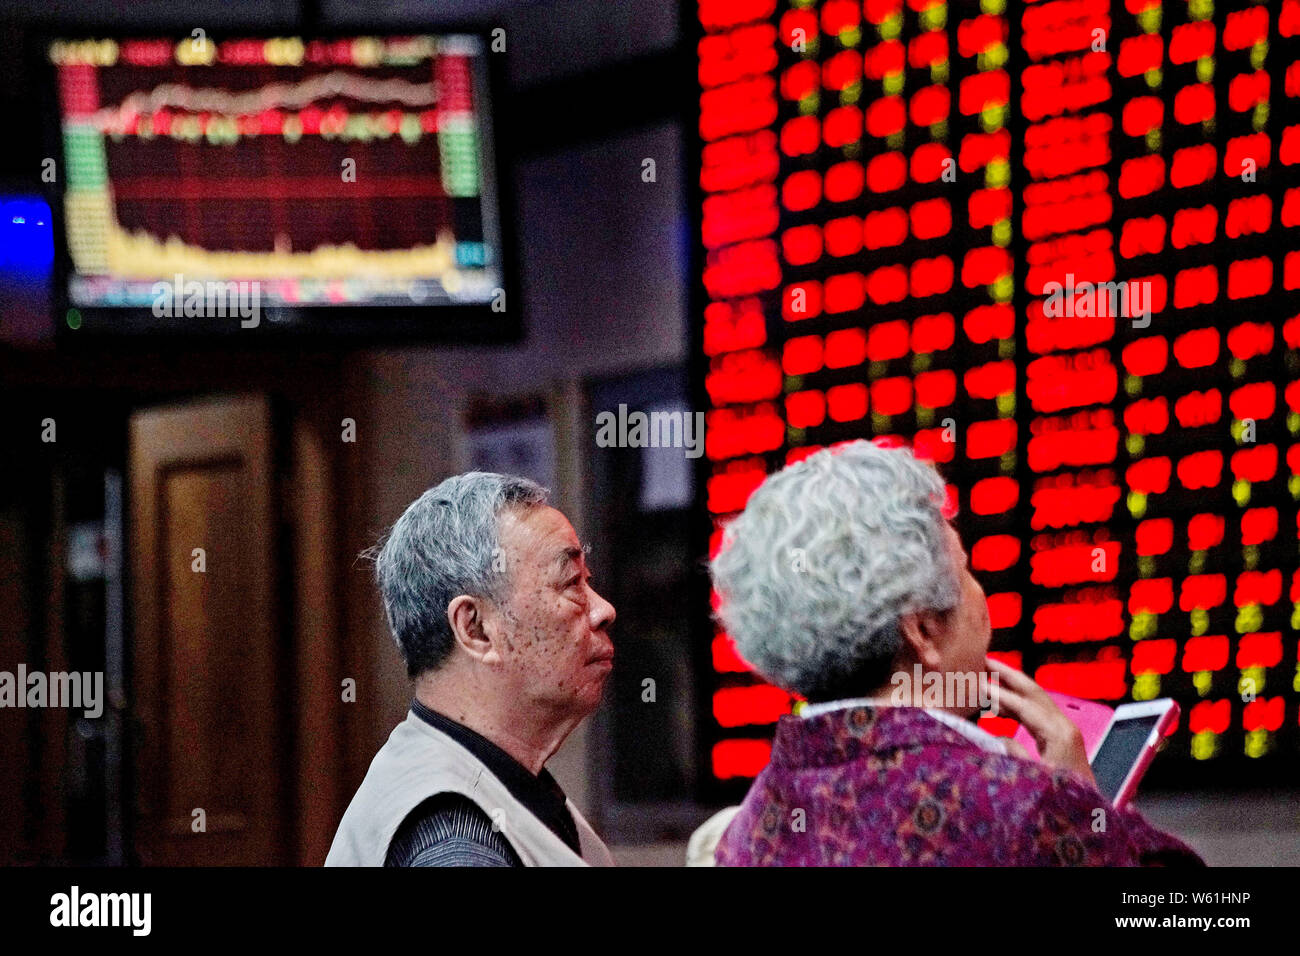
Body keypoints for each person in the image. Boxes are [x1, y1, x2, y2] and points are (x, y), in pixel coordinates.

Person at [709, 440, 1204, 866]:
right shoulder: (1024, 805)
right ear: (923, 630)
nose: (978, 595)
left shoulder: (748, 827)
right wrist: (1089, 805)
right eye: (965, 571)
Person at [325, 472, 617, 866]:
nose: (603, 610)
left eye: (588, 581)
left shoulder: (491, 783)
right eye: (570, 583)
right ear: (475, 628)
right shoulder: (453, 840)